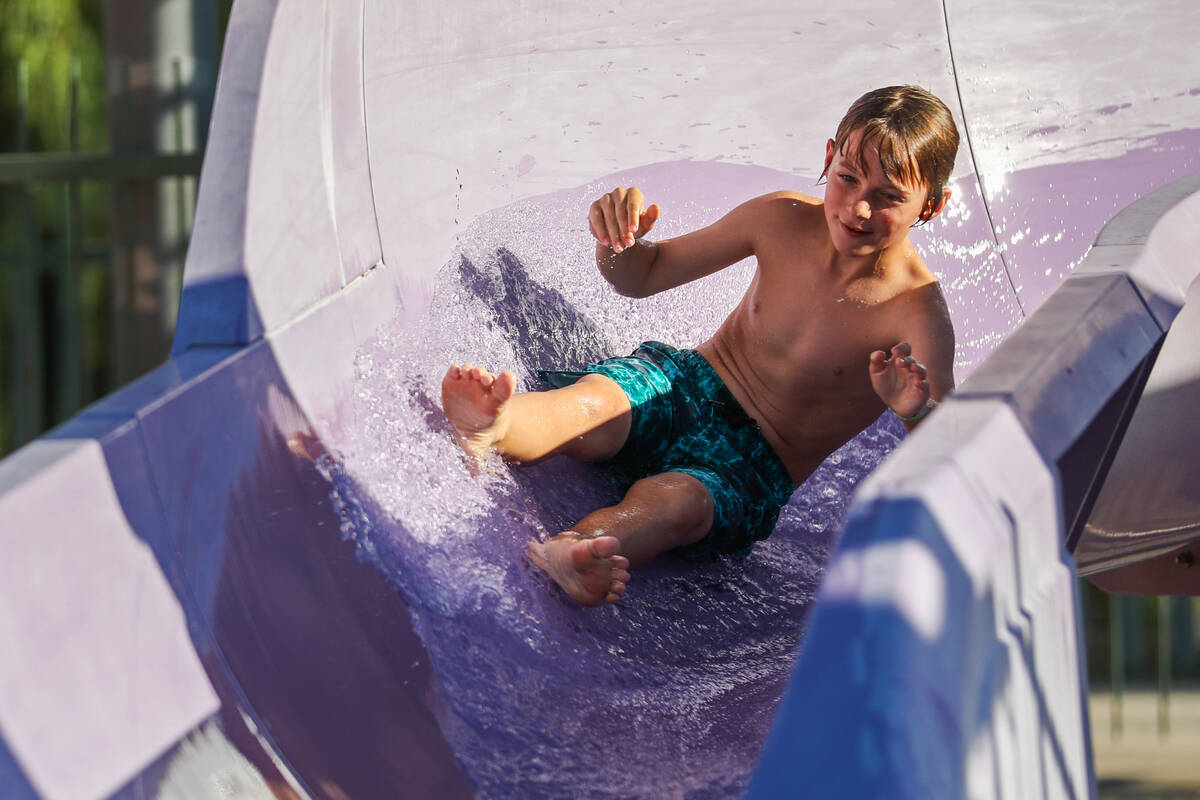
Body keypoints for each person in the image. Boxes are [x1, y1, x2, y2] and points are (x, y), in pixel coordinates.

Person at [441, 85, 959, 606]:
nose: (858, 207)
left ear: (931, 205)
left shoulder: (916, 310)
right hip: (686, 383)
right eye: (847, 178)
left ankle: (579, 550)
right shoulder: (780, 219)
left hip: (754, 465)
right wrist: (620, 243)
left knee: (677, 503)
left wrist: (914, 411)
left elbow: (951, 448)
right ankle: (498, 426)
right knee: (595, 404)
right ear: (829, 158)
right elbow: (645, 275)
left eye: (889, 197)